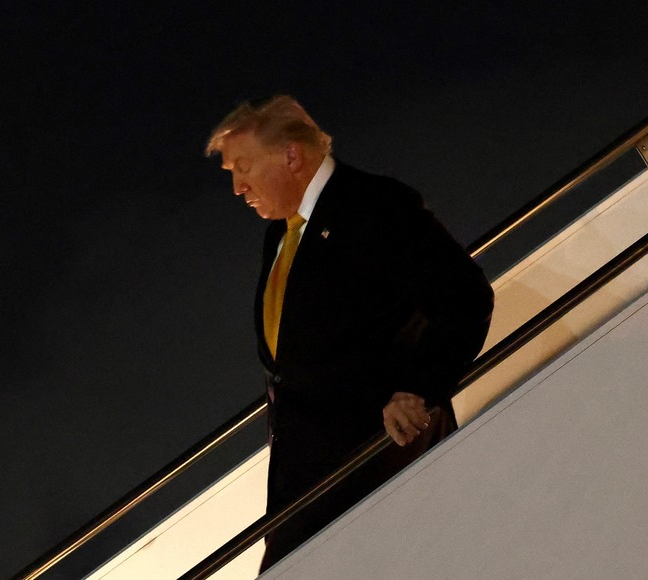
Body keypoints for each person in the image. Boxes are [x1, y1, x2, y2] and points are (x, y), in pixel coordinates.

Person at [206, 95, 494, 572]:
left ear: (291, 156)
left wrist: (419, 388)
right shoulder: (280, 234)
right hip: (306, 478)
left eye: (243, 167)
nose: (238, 187)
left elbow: (464, 297)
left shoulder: (374, 205)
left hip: (378, 459)